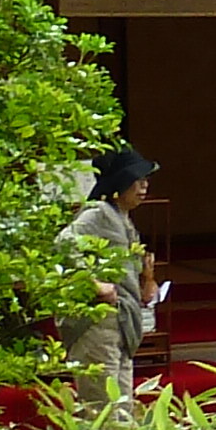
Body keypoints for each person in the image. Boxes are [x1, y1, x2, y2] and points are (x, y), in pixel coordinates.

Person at [60, 144, 165, 407]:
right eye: (137, 181)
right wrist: (94, 284)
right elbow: (63, 246)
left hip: (122, 321)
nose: (144, 187)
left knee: (121, 405)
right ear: (120, 183)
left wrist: (147, 280)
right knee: (101, 405)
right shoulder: (98, 214)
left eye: (145, 181)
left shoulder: (123, 218)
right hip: (98, 322)